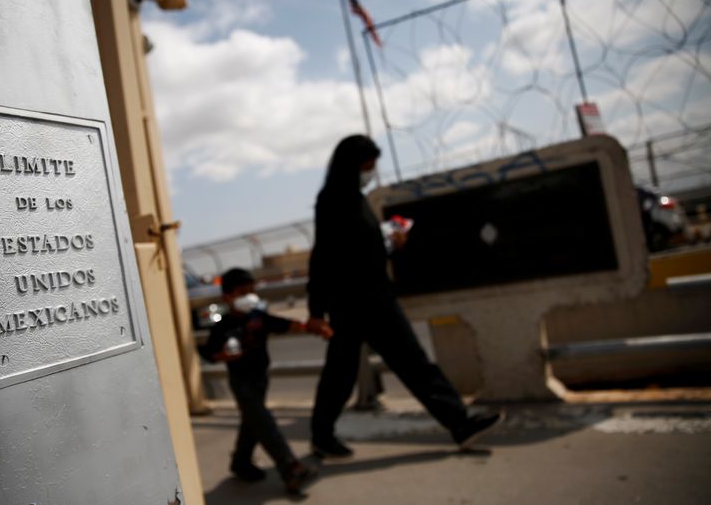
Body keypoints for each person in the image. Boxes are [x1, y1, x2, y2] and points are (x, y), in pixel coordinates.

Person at [306, 134, 503, 459]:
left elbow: (359, 249)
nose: (371, 171)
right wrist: (315, 310)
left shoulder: (355, 198)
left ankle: (459, 423)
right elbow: (323, 256)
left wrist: (389, 245)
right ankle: (459, 423)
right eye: (367, 166)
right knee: (385, 368)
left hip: (369, 297)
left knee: (378, 368)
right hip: (357, 302)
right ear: (351, 165)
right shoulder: (332, 200)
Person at [200, 268, 334, 494]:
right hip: (241, 381)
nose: (250, 297)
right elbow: (208, 353)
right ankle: (290, 468)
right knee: (264, 422)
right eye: (243, 293)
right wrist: (222, 356)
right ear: (227, 297)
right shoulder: (223, 326)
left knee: (253, 422)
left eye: (252, 291)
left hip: (260, 378)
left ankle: (241, 463)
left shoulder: (259, 318)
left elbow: (286, 324)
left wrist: (312, 327)